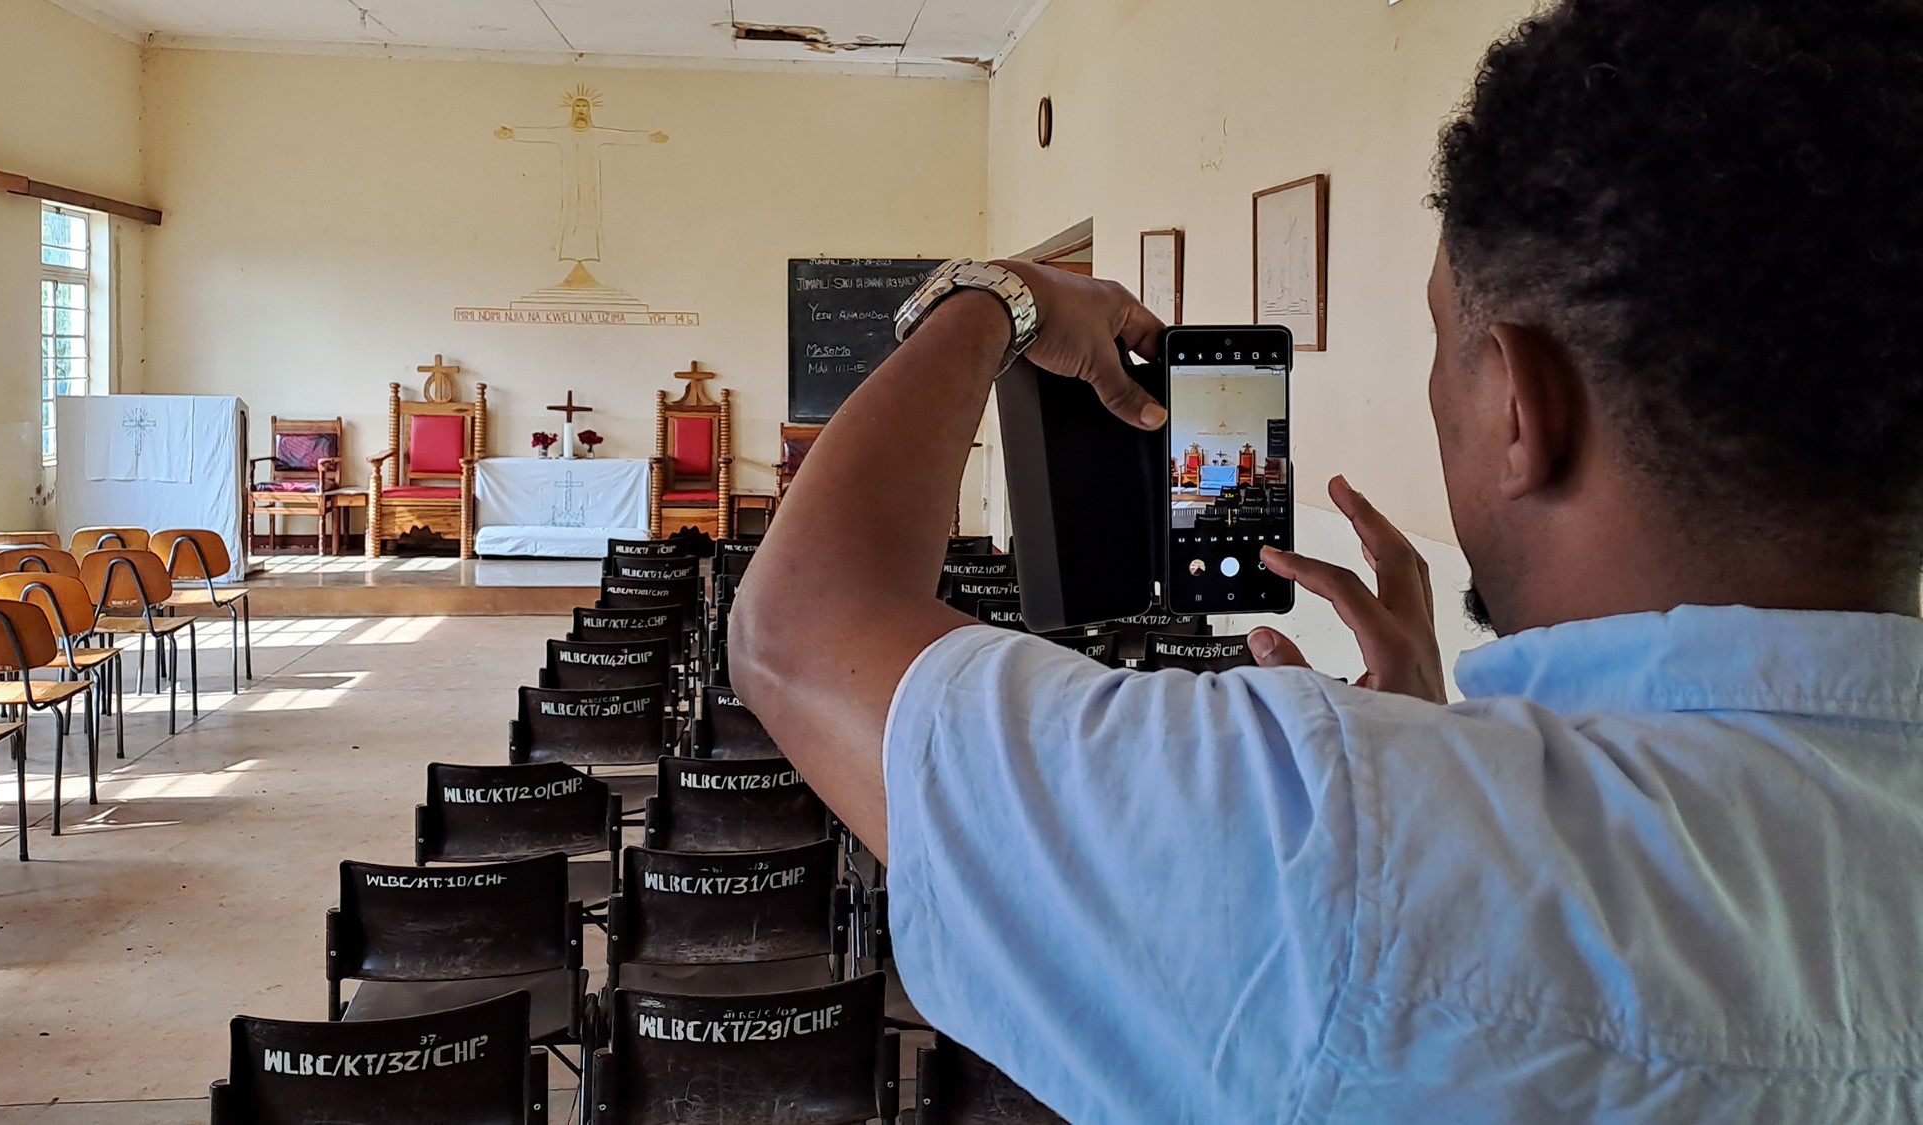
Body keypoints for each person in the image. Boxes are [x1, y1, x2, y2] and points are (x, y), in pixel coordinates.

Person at [733, 0, 1923, 1120]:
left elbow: (795, 633)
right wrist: (1431, 740)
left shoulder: (1326, 831)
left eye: (1440, 347)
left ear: (1518, 405)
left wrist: (994, 299)